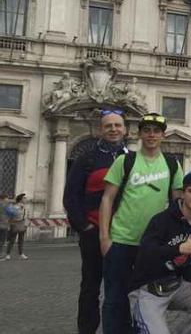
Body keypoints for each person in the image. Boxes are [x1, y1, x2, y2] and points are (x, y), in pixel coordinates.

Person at [99, 113, 183, 334]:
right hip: (121, 240)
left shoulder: (172, 164)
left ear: (163, 135)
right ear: (139, 133)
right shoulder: (125, 161)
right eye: (147, 130)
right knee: (114, 299)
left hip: (153, 245)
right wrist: (104, 237)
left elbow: (177, 206)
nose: (151, 135)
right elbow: (107, 198)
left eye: (156, 131)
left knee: (147, 298)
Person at [64, 110, 128, 333]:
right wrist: (84, 226)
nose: (113, 129)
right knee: (90, 287)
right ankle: (87, 330)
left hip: (123, 233)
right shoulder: (87, 157)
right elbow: (71, 195)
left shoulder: (132, 158)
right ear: (101, 129)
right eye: (108, 126)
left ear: (125, 129)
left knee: (121, 286)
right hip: (93, 231)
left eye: (117, 125)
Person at [128, 171, 191, 334]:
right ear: (183, 193)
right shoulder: (162, 220)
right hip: (147, 288)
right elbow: (146, 253)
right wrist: (178, 248)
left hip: (176, 285)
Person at [5, 193, 28, 260]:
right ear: (21, 199)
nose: (26, 199)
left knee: (21, 240)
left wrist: (26, 224)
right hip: (15, 224)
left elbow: (26, 216)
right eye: (24, 198)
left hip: (22, 223)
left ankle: (21, 254)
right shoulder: (15, 206)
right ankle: (8, 254)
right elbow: (11, 215)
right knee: (12, 240)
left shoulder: (24, 206)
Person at [0, 194, 8, 260]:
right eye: (7, 198)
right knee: (2, 241)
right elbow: (12, 213)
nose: (8, 199)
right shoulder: (5, 205)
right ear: (4, 198)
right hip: (3, 225)